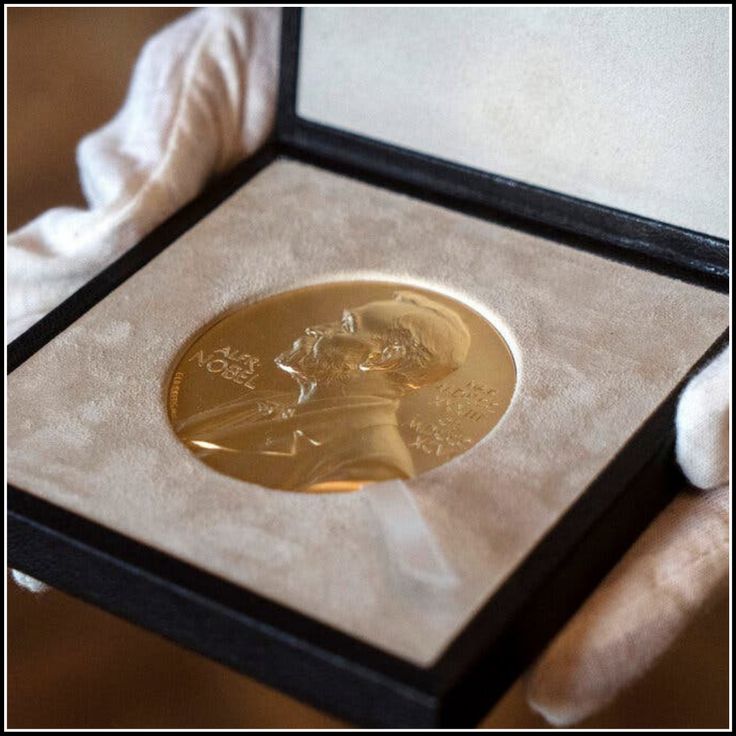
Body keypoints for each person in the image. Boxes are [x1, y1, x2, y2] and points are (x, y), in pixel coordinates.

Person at [8, 8, 730, 727]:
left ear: (391, 359)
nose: (331, 322)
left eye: (354, 323)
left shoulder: (366, 464)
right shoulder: (256, 422)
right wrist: (318, 48)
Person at [177, 290, 471, 491]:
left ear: (385, 357)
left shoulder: (373, 467)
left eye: (345, 325)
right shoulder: (262, 404)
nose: (317, 328)